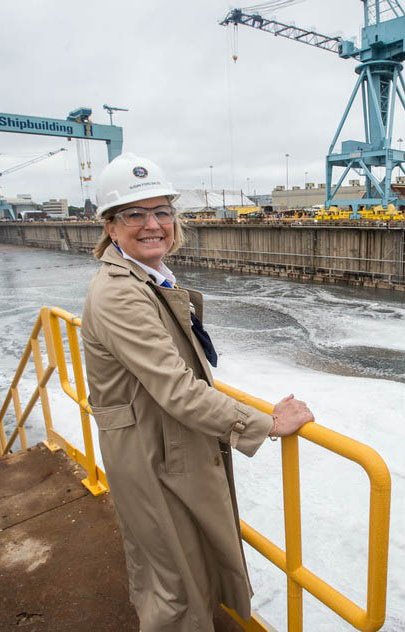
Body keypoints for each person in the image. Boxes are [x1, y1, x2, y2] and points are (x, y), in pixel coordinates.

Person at [81, 153, 314, 631]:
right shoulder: (120, 293)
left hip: (164, 443)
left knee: (184, 567)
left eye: (162, 211)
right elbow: (178, 390)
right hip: (150, 454)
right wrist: (267, 424)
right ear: (109, 225)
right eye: (135, 214)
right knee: (174, 585)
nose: (153, 225)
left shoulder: (146, 278)